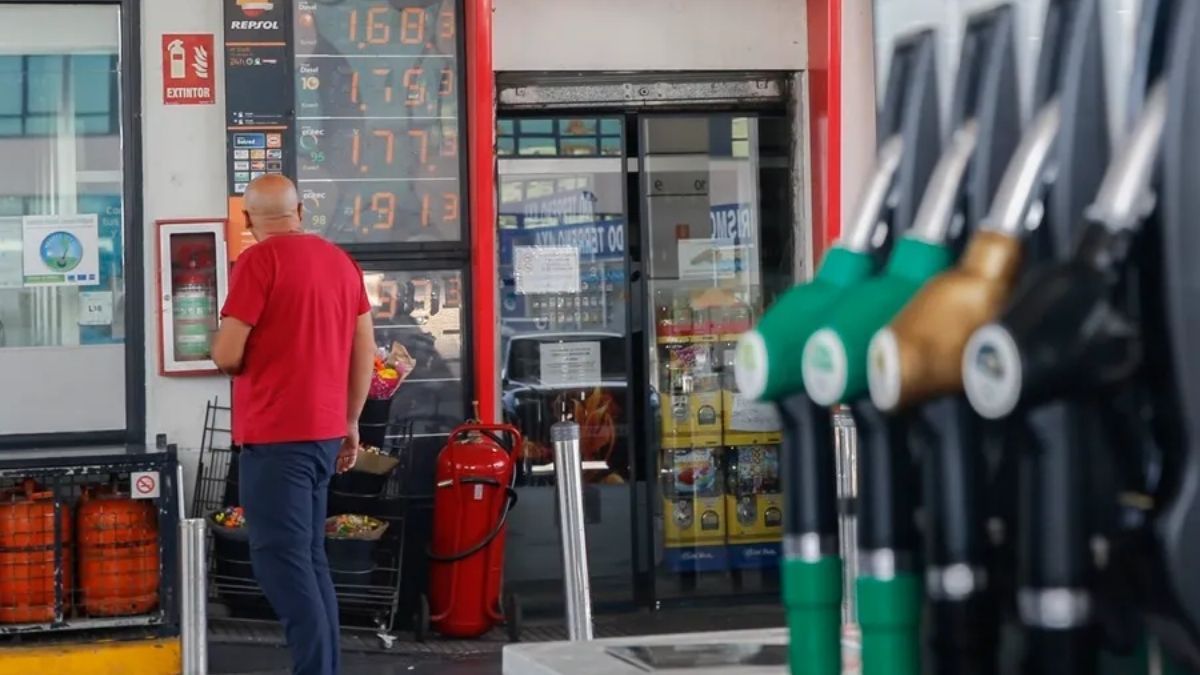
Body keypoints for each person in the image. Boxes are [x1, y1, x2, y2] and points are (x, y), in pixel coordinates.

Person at [212, 174, 375, 675]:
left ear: (246, 219)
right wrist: (350, 420)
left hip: (278, 435)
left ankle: (315, 670)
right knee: (308, 558)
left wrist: (219, 350)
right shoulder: (341, 263)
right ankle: (322, 667)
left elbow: (227, 352)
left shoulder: (259, 261)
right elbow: (363, 348)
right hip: (325, 432)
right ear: (300, 211)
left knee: (280, 560)